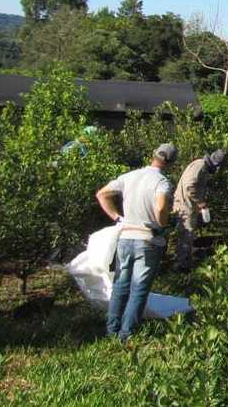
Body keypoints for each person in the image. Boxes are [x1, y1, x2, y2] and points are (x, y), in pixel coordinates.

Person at [95, 143, 177, 342]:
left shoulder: (129, 176)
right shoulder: (162, 182)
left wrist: (117, 218)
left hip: (125, 237)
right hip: (147, 239)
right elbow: (160, 208)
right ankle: (126, 334)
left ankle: (112, 330)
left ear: (153, 156)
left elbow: (102, 194)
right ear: (171, 163)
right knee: (139, 288)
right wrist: (163, 223)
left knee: (120, 285)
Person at [172, 149, 226, 271]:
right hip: (185, 205)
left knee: (188, 234)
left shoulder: (201, 166)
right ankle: (180, 265)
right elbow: (189, 186)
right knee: (186, 233)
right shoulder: (200, 166)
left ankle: (185, 259)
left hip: (189, 205)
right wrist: (200, 202)